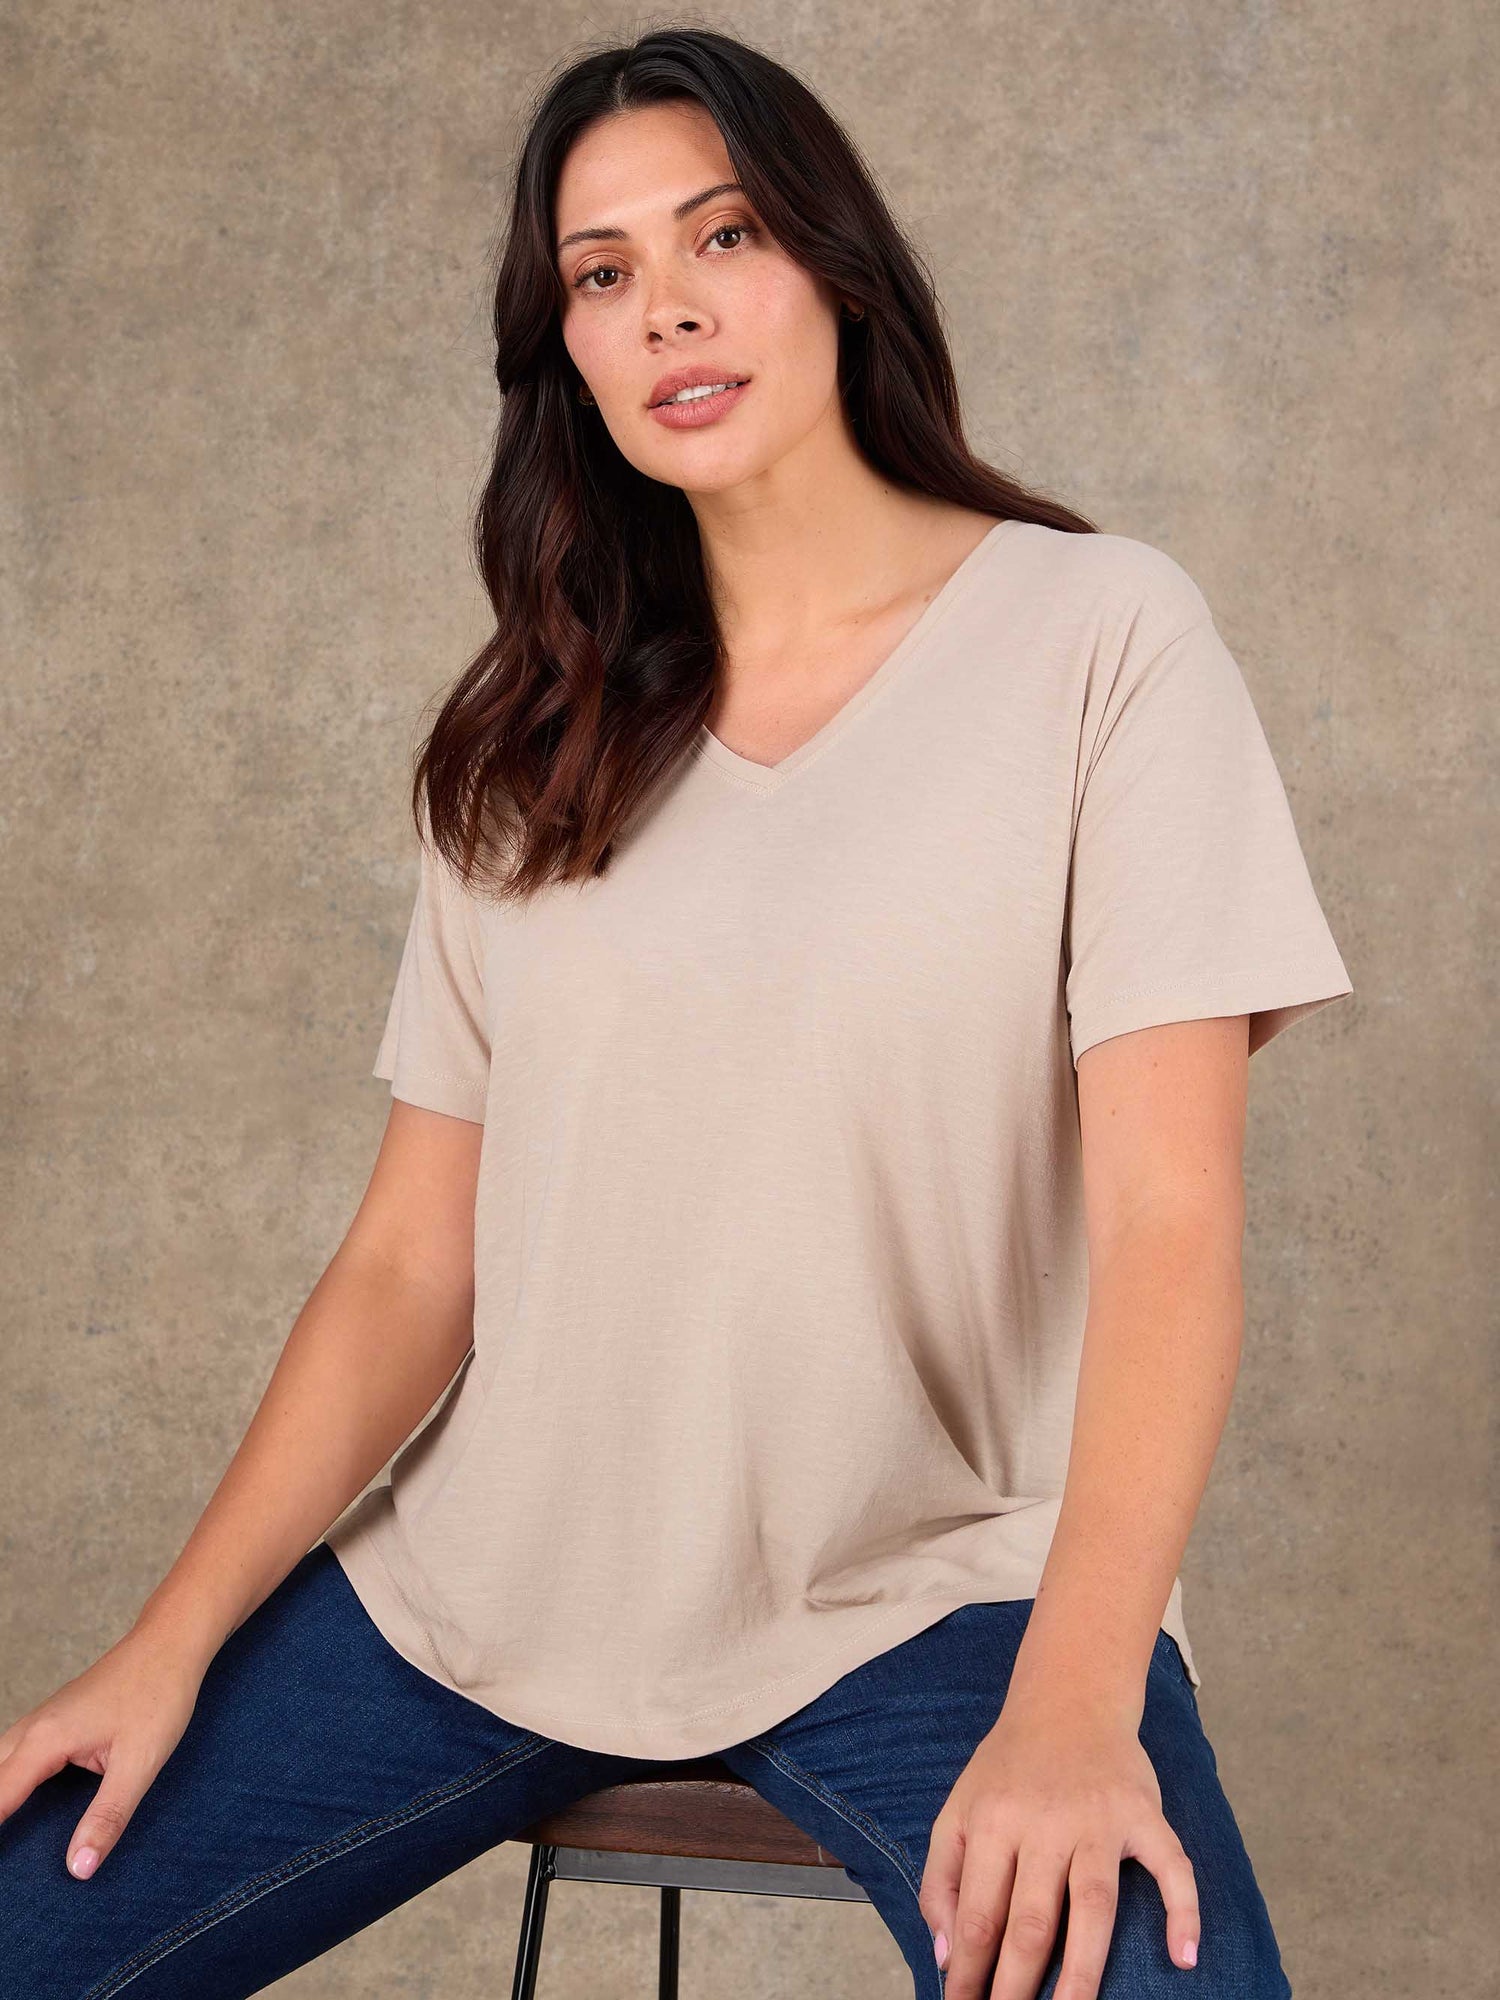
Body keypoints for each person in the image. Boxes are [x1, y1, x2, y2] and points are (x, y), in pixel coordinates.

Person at [0, 25, 1352, 2000]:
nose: (670, 309)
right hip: (486, 1592)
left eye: (724, 236)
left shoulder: (1099, 636)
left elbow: (1170, 1220)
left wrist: (1078, 1702)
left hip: (935, 1599)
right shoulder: (534, 727)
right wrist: (170, 1638)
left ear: (838, 266)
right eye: (603, 272)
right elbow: (408, 1264)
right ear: (566, 347)